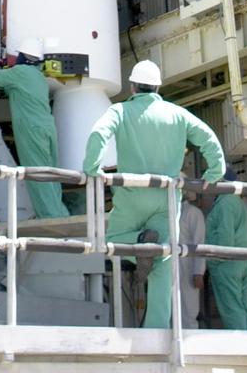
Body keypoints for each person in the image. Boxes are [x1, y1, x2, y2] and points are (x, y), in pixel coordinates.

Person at [82, 58, 224, 329]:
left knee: (111, 240)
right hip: (166, 199)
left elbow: (99, 133)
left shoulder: (120, 111)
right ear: (158, 88)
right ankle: (156, 329)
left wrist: (92, 168)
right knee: (164, 258)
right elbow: (209, 138)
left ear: (133, 86)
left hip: (131, 194)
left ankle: (138, 242)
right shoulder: (177, 114)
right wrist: (214, 173)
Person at [0, 37, 70, 219]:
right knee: (52, 173)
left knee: (37, 174)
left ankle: (51, 218)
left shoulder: (20, 72)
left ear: (23, 56)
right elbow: (14, 90)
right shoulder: (39, 77)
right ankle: (61, 213)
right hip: (47, 127)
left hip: (33, 130)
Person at [206, 164, 247, 329]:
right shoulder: (236, 201)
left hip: (226, 263)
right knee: (242, 308)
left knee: (231, 310)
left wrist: (214, 262)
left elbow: (225, 238)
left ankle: (241, 350)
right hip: (243, 261)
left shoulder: (225, 203)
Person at [179, 191, 206, 328]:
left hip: (188, 267)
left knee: (188, 310)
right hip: (169, 267)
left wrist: (198, 272)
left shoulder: (193, 213)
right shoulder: (164, 213)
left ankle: (189, 345)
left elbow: (199, 243)